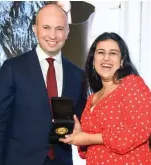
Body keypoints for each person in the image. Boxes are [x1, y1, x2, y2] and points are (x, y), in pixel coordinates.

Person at [0, 3, 86, 165]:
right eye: (46, 27)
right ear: (35, 29)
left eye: (59, 28)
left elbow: (81, 123)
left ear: (67, 31)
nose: (53, 35)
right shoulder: (12, 69)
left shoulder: (77, 75)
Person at [60, 32, 151, 165]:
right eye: (101, 52)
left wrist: (88, 138)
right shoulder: (92, 98)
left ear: (122, 61)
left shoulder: (132, 84)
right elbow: (88, 150)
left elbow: (137, 131)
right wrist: (80, 135)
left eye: (113, 53)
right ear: (93, 60)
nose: (106, 58)